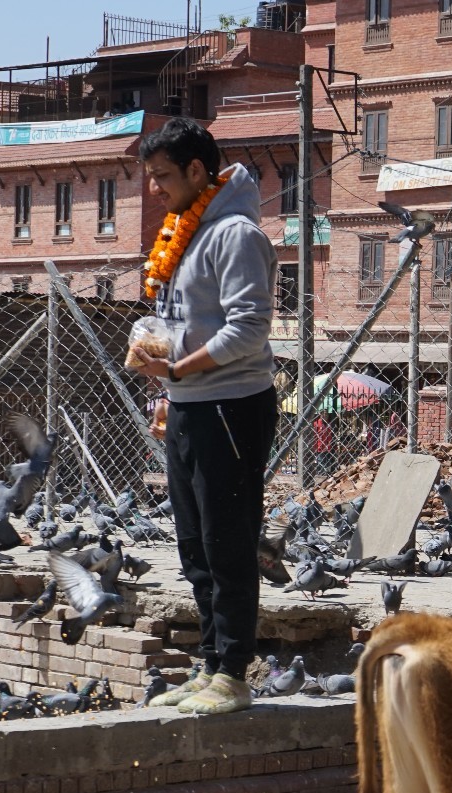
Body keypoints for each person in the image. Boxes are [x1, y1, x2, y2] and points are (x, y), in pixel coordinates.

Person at [128, 117, 278, 716]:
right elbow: (177, 312)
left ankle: (235, 672)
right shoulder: (181, 232)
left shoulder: (235, 233)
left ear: (197, 171)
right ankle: (212, 663)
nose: (154, 190)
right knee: (193, 544)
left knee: (227, 542)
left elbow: (250, 327)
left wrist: (183, 366)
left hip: (230, 406)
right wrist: (152, 345)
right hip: (186, 404)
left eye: (162, 177)